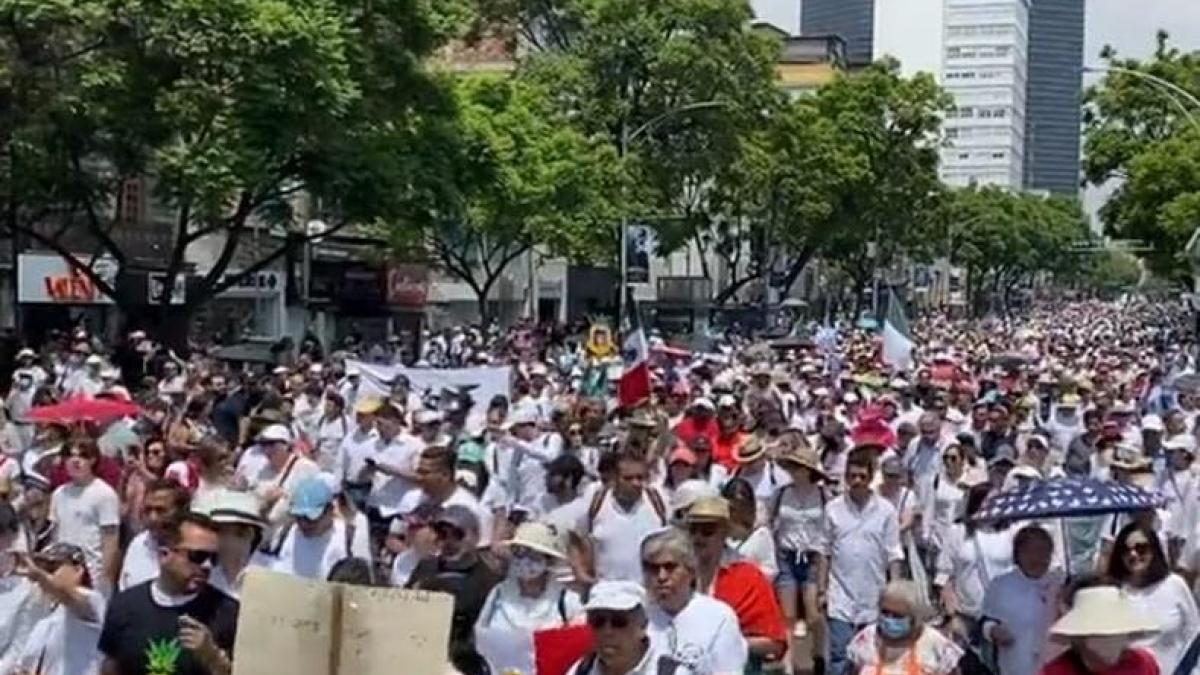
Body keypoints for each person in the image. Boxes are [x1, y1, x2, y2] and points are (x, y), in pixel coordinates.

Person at [99, 514, 238, 675]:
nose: (207, 566)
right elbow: (110, 667)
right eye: (197, 556)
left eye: (213, 558)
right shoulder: (125, 605)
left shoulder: (226, 612)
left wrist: (213, 657)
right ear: (165, 555)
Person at [819, 448, 905, 675]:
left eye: (862, 477)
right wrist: (821, 589)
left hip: (873, 596)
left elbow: (894, 553)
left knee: (870, 657)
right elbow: (824, 552)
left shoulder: (886, 511)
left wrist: (894, 592)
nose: (857, 481)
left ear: (871, 477)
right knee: (839, 656)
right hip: (839, 595)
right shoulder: (832, 509)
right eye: (852, 476)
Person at [684, 495, 788, 669]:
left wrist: (729, 643)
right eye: (693, 529)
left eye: (707, 530)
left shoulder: (749, 577)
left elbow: (774, 643)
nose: (698, 537)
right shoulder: (678, 573)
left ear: (724, 532)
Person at [474, 522, 583, 671]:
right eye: (518, 553)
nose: (524, 561)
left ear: (548, 560)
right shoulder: (498, 593)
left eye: (533, 555)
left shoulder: (567, 601)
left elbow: (580, 649)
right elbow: (479, 637)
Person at [640, 527, 748, 672]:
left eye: (670, 567)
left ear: (690, 571)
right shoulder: (634, 617)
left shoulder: (719, 618)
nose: (661, 577)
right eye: (653, 568)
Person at [407, 505, 502, 666]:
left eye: (458, 534)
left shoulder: (488, 580)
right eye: (443, 534)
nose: (449, 542)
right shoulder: (425, 570)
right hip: (421, 650)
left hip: (465, 660)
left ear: (476, 536)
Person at [1105, 522, 1200, 675]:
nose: (1133, 554)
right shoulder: (1113, 592)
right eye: (1126, 550)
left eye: (1140, 548)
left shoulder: (1175, 585)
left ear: (1154, 549)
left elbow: (1194, 635)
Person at [770, 445, 829, 672]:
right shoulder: (781, 493)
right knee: (789, 615)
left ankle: (818, 655)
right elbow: (770, 521)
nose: (795, 471)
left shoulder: (823, 494)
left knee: (813, 613)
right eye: (793, 466)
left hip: (813, 556)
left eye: (800, 467)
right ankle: (789, 665)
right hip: (787, 555)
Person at [935, 484, 1015, 647]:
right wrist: (951, 613)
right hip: (966, 615)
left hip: (1002, 615)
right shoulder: (958, 532)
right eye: (990, 501)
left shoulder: (1010, 533)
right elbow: (944, 573)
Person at [10, 543, 107, 675]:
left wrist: (39, 575)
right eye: (42, 568)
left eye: (52, 568)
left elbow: (66, 594)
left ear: (78, 570)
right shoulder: (41, 622)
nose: (46, 574)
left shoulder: (92, 600)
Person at [981, 525, 1065, 675]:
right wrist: (993, 631)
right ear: (1017, 554)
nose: (1036, 558)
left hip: (1054, 665)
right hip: (1015, 664)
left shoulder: (1061, 584)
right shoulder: (1001, 585)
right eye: (1029, 551)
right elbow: (985, 620)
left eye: (1042, 551)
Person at [580, 451, 668, 583]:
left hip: (648, 592)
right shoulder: (596, 502)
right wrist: (583, 575)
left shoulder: (658, 501)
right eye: (628, 478)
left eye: (640, 478)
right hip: (606, 592)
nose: (636, 483)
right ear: (614, 478)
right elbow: (577, 539)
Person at [846, 580, 963, 675]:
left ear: (914, 617)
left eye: (897, 615)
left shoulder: (935, 644)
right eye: (885, 613)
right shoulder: (867, 639)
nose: (889, 619)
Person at [49, 438, 120, 594]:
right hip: (63, 571)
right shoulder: (59, 494)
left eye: (83, 456)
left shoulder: (104, 493)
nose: (76, 461)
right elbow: (54, 534)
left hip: (93, 576)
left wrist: (106, 579)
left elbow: (111, 541)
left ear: (93, 460)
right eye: (70, 456)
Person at [566, 580, 680, 675]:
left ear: (642, 626)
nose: (607, 631)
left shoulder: (670, 672)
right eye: (598, 621)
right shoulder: (580, 670)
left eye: (618, 621)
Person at [1040, 585, 1160, 675]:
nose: (1110, 642)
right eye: (1100, 634)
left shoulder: (1143, 663)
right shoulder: (1056, 672)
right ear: (1079, 638)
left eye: (1116, 631)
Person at [269, 477, 370, 580]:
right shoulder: (285, 533)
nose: (304, 524)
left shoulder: (349, 538)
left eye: (311, 519)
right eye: (299, 518)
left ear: (330, 511)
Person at [118, 480, 190, 591]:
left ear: (182, 511)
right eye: (148, 510)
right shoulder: (138, 544)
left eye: (161, 510)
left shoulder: (195, 551)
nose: (153, 518)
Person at [204, 491, 271, 600]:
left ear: (248, 534)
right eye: (215, 530)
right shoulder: (208, 577)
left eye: (223, 531)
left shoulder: (270, 575)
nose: (215, 539)